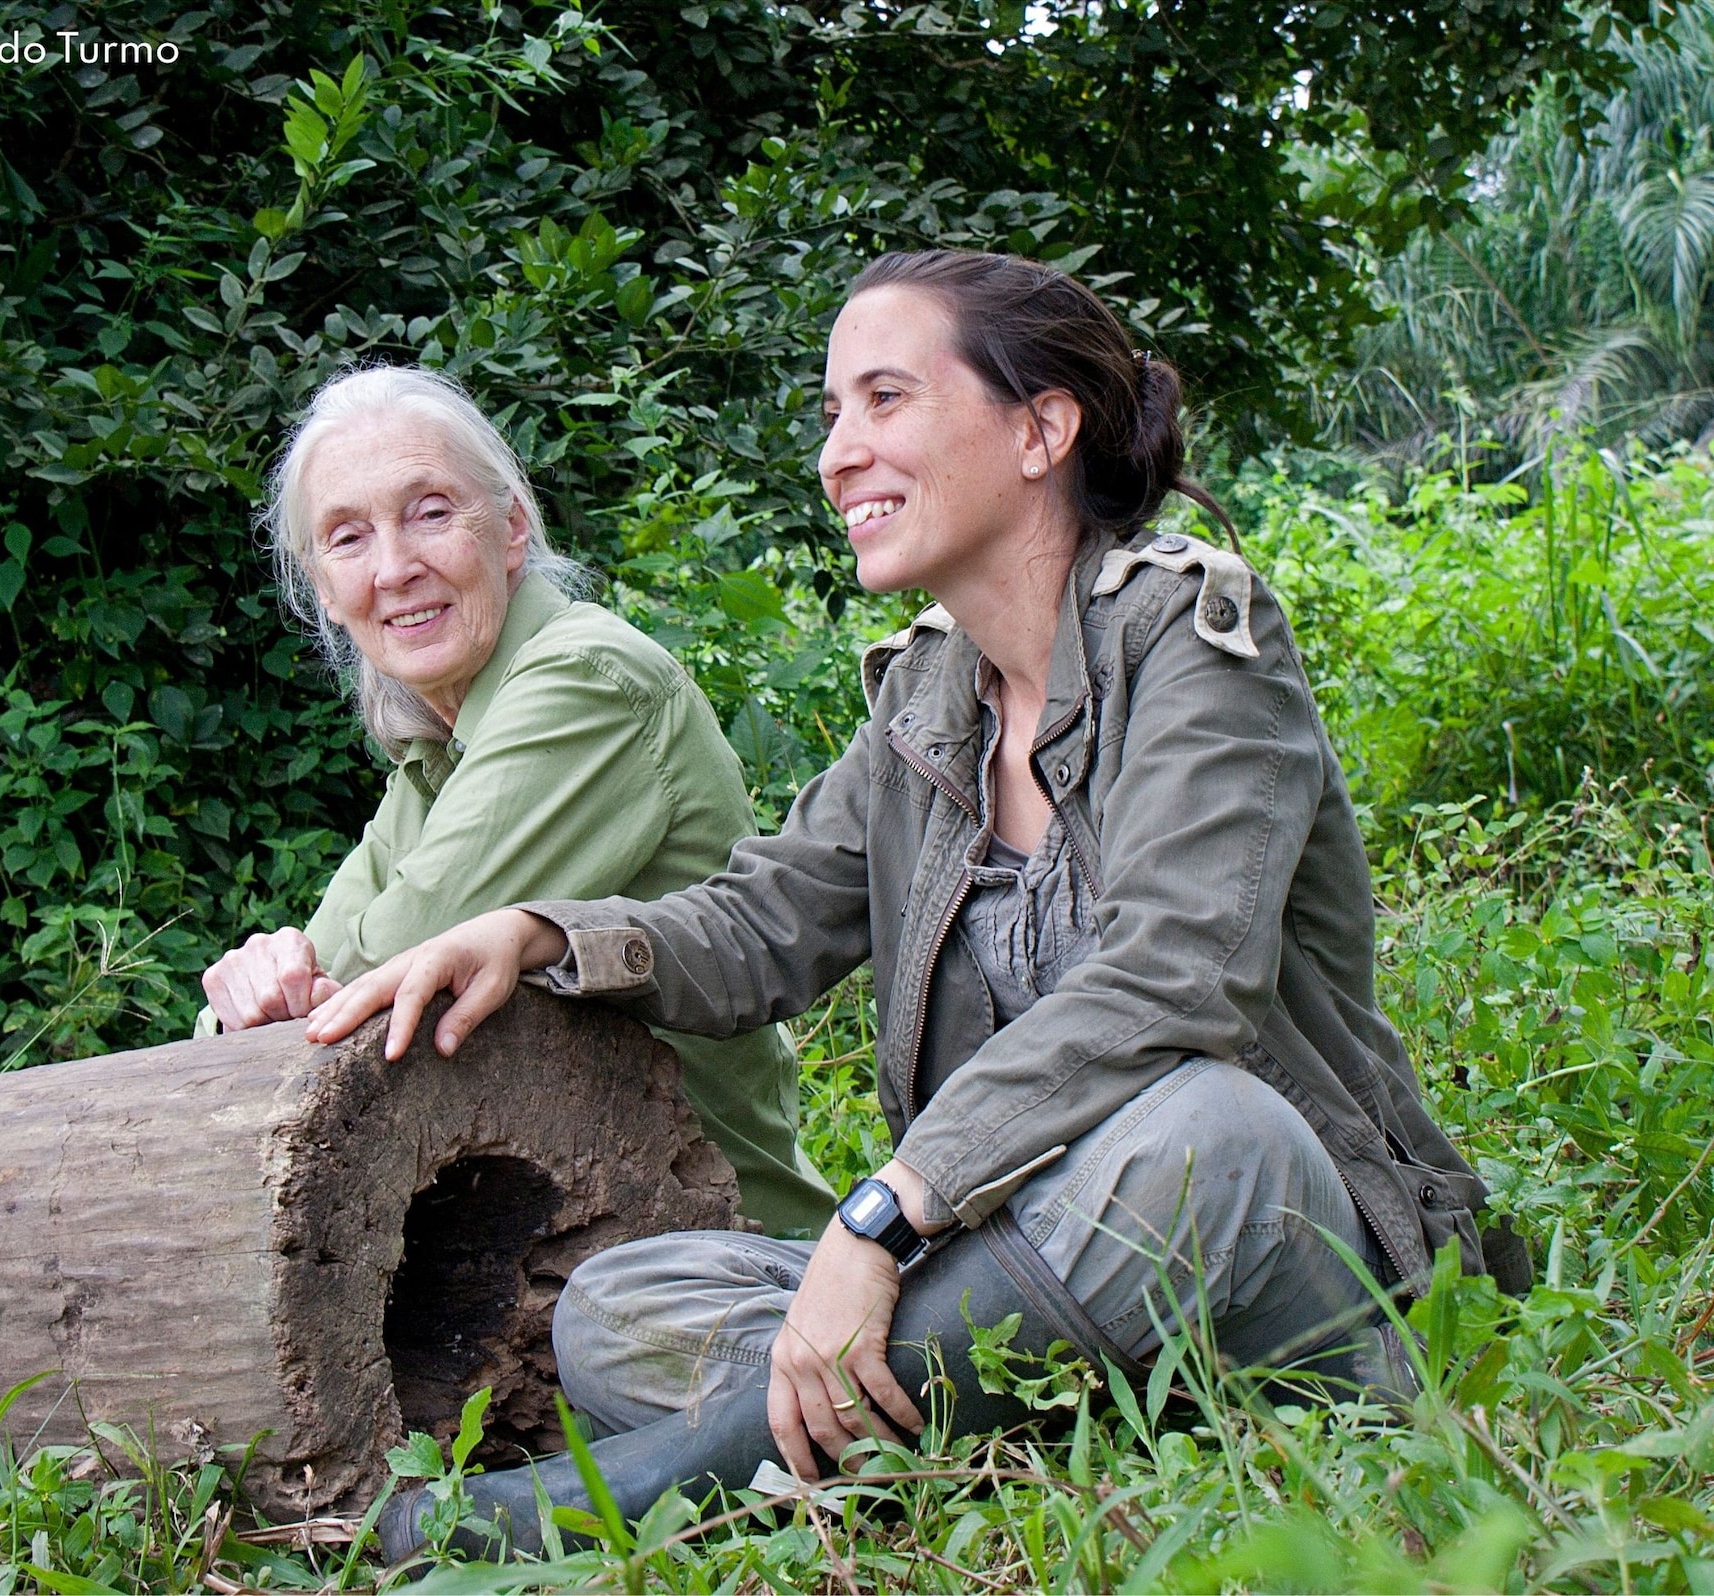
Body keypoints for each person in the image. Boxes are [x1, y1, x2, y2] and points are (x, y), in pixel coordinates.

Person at [312, 255, 1531, 1562]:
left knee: (1210, 1128)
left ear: (1039, 428)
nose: (840, 456)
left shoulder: (1196, 647)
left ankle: (590, 1512)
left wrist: (884, 1213)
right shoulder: (929, 703)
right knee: (620, 1303)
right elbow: (762, 923)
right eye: (834, 415)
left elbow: (1180, 980)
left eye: (884, 400)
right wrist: (546, 933)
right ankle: (1015, 1425)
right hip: (1019, 1263)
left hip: (1268, 1254)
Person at [197, 364, 834, 1236]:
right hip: (564, 1249)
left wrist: (281, 1006)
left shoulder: (586, 683)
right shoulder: (435, 753)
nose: (394, 568)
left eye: (430, 513)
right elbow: (293, 1011)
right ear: (322, 591)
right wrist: (243, 996)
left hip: (722, 1256)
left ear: (509, 528)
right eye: (347, 538)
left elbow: (363, 989)